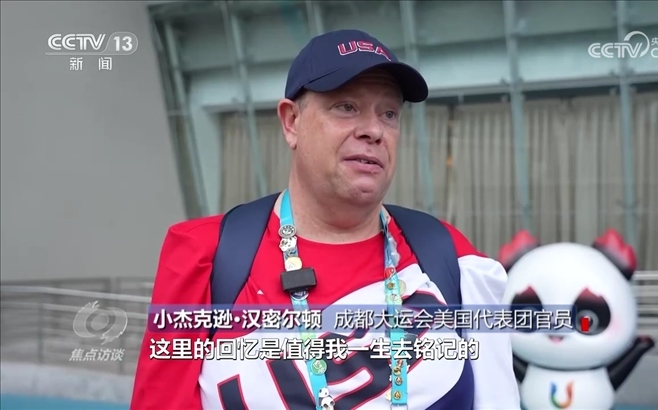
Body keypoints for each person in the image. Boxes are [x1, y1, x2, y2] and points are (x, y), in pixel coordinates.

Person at [130, 29, 520, 410]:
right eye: (346, 107)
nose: (373, 131)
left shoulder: (448, 254)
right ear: (291, 122)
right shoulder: (206, 254)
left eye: (389, 113)